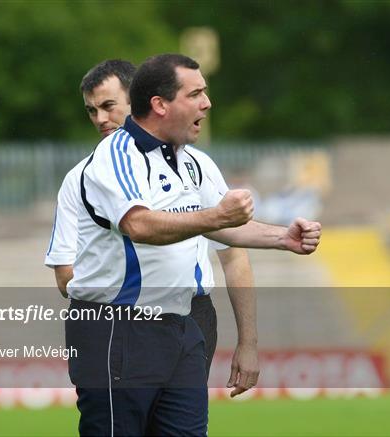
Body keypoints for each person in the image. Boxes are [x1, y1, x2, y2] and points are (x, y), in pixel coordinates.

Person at [64, 53, 321, 436]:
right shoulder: (114, 157)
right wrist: (217, 216)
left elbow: (226, 232)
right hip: (119, 328)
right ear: (160, 105)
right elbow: (139, 224)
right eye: (196, 93)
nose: (207, 103)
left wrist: (281, 237)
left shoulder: (191, 161)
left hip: (181, 326)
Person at [44, 59, 259, 393]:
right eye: (91, 111)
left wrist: (248, 343)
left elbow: (233, 252)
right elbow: (65, 275)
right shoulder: (79, 178)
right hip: (121, 318)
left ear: (142, 101)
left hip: (194, 313)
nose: (100, 119)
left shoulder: (194, 163)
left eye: (108, 106)